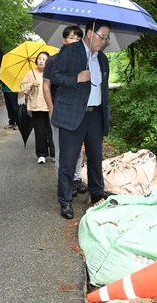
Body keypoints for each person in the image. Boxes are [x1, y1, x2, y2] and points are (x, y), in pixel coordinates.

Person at [49, 20, 112, 219]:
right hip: (73, 115)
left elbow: (103, 89)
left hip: (95, 114)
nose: (104, 42)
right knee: (68, 160)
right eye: (102, 37)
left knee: (95, 157)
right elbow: (56, 77)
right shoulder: (69, 51)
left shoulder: (102, 59)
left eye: (107, 38)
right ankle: (65, 200)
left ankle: (97, 193)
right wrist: (77, 78)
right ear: (90, 33)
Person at [43, 25, 87, 196]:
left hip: (77, 112)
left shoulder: (83, 61)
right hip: (59, 110)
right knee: (61, 149)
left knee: (78, 149)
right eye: (70, 37)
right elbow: (46, 86)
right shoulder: (53, 60)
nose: (74, 41)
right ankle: (64, 184)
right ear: (63, 40)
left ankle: (76, 178)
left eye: (78, 38)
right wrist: (51, 108)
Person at [20, 51, 54, 164]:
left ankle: (54, 154)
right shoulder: (30, 73)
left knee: (52, 131)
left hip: (50, 106)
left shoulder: (51, 72)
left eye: (44, 59)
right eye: (40, 58)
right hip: (36, 107)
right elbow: (23, 88)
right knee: (40, 132)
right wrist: (31, 84)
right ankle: (41, 154)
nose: (41, 61)